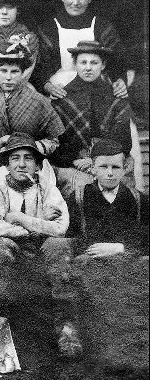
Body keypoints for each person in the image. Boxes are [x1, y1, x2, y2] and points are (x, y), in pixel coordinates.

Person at [0, 133, 77, 357]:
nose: (22, 164)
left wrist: (20, 219)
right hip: (12, 249)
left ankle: (66, 329)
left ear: (37, 164)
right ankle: (1, 330)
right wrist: (38, 225)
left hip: (44, 250)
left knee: (58, 246)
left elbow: (60, 228)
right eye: (15, 158)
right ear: (7, 164)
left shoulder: (49, 189)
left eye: (28, 158)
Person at [65, 139, 148, 366]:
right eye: (103, 167)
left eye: (115, 167)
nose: (110, 173)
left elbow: (145, 238)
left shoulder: (138, 199)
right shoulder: (80, 197)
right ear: (93, 168)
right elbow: (72, 235)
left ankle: (134, 353)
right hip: (92, 263)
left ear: (125, 168)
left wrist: (120, 248)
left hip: (127, 262)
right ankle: (101, 354)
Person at [51, 41, 133, 199]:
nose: (88, 68)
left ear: (103, 65)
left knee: (120, 189)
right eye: (83, 62)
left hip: (110, 160)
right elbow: (56, 140)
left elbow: (123, 139)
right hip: (74, 163)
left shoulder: (116, 98)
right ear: (75, 64)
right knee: (83, 191)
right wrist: (76, 159)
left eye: (94, 62)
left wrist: (97, 159)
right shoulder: (62, 98)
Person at [35, 0, 131, 99]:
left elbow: (117, 63)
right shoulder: (49, 29)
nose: (75, 2)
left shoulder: (102, 27)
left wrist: (120, 81)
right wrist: (47, 87)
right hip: (59, 91)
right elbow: (38, 70)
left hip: (97, 92)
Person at [0, 42, 64, 186]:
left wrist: (31, 147)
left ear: (23, 73)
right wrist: (1, 141)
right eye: (3, 71)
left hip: (32, 166)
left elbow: (54, 140)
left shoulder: (37, 101)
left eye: (15, 71)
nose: (9, 77)